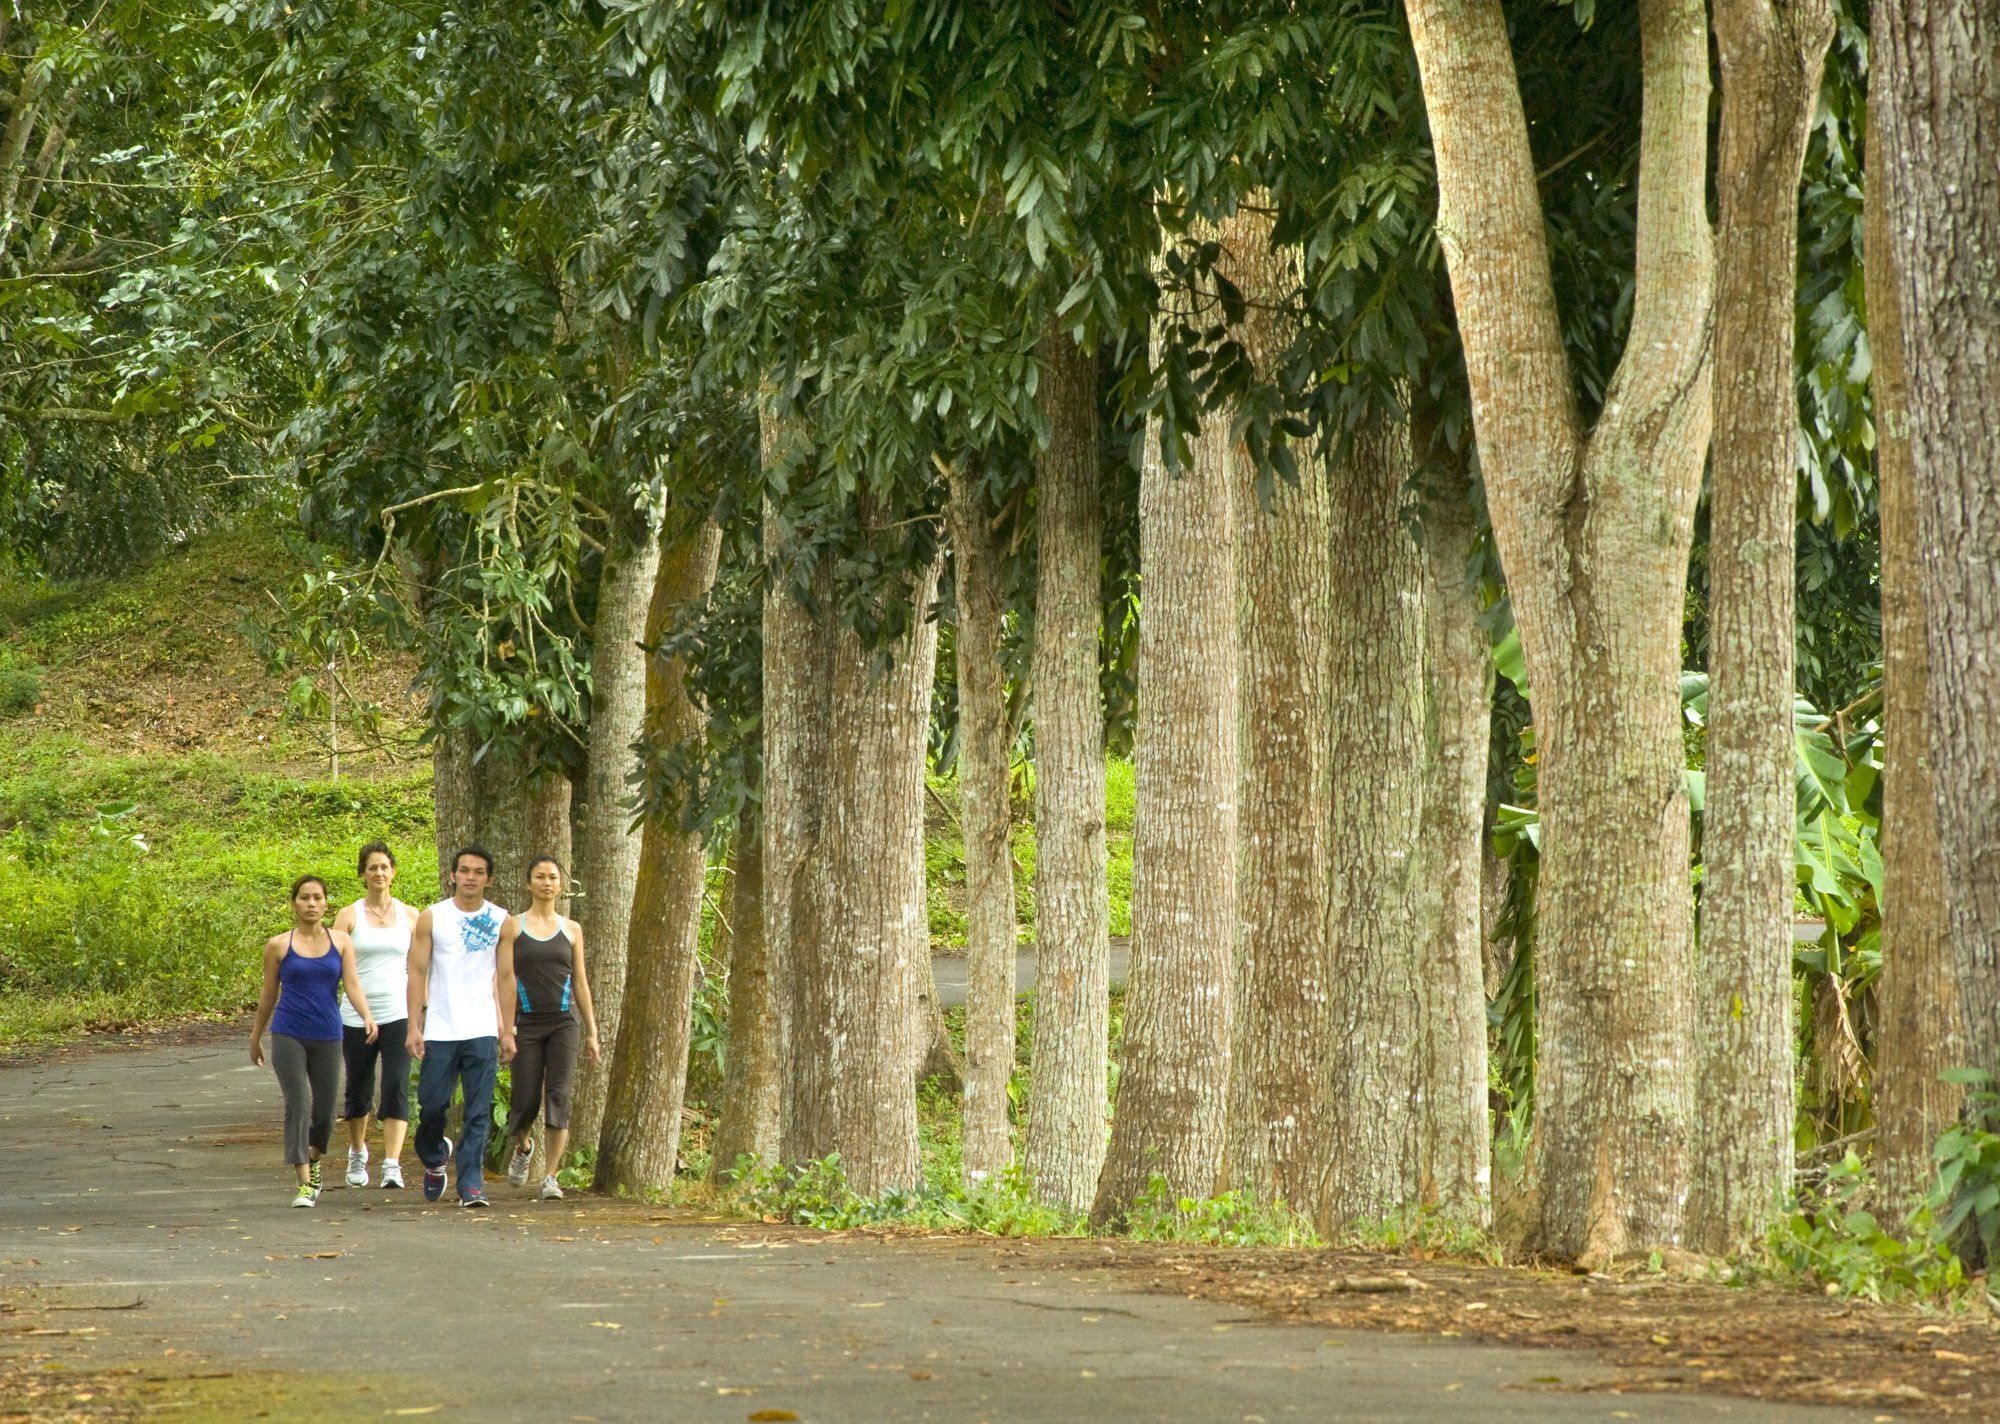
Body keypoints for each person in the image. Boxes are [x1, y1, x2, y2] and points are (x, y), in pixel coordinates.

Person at [249, 875, 377, 1207]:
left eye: (317, 897)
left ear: (326, 904)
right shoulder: (278, 945)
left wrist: (366, 1015)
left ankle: (315, 1156)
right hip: (289, 1031)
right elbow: (267, 995)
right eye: (304, 897)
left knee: (324, 1112)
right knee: (299, 1104)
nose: (311, 903)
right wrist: (256, 1036)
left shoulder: (341, 942)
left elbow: (352, 984)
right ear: (294, 903)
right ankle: (305, 1182)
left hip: (328, 1033)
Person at [407, 846, 516, 1209]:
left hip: (481, 1027)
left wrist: (508, 1030)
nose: (470, 877)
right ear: (452, 875)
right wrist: (413, 1025)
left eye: (479, 871)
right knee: (432, 1104)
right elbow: (417, 972)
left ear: (489, 879)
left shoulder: (501, 920)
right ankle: (436, 1155)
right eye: (464, 870)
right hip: (440, 1027)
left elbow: (505, 976)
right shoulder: (432, 917)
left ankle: (471, 1184)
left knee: (478, 1110)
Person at [498, 856, 601, 1200]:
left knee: (558, 1096)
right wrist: (506, 1027)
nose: (546, 883)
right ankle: (523, 1148)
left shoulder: (572, 930)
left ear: (561, 885)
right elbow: (506, 978)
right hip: (525, 1024)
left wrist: (591, 1031)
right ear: (529, 883)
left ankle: (550, 1177)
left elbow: (581, 983)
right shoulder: (513, 926)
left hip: (562, 1024)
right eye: (539, 877)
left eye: (552, 877)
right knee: (524, 1099)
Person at [330, 841, 416, 1189]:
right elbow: (333, 964)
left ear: (393, 872)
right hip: (355, 1015)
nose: (378, 873)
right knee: (359, 1088)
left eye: (384, 867)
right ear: (362, 874)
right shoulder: (348, 916)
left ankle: (392, 1163)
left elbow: (420, 966)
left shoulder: (411, 915)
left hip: (398, 1013)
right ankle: (357, 1152)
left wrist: (420, 1008)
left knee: (396, 1085)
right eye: (372, 868)